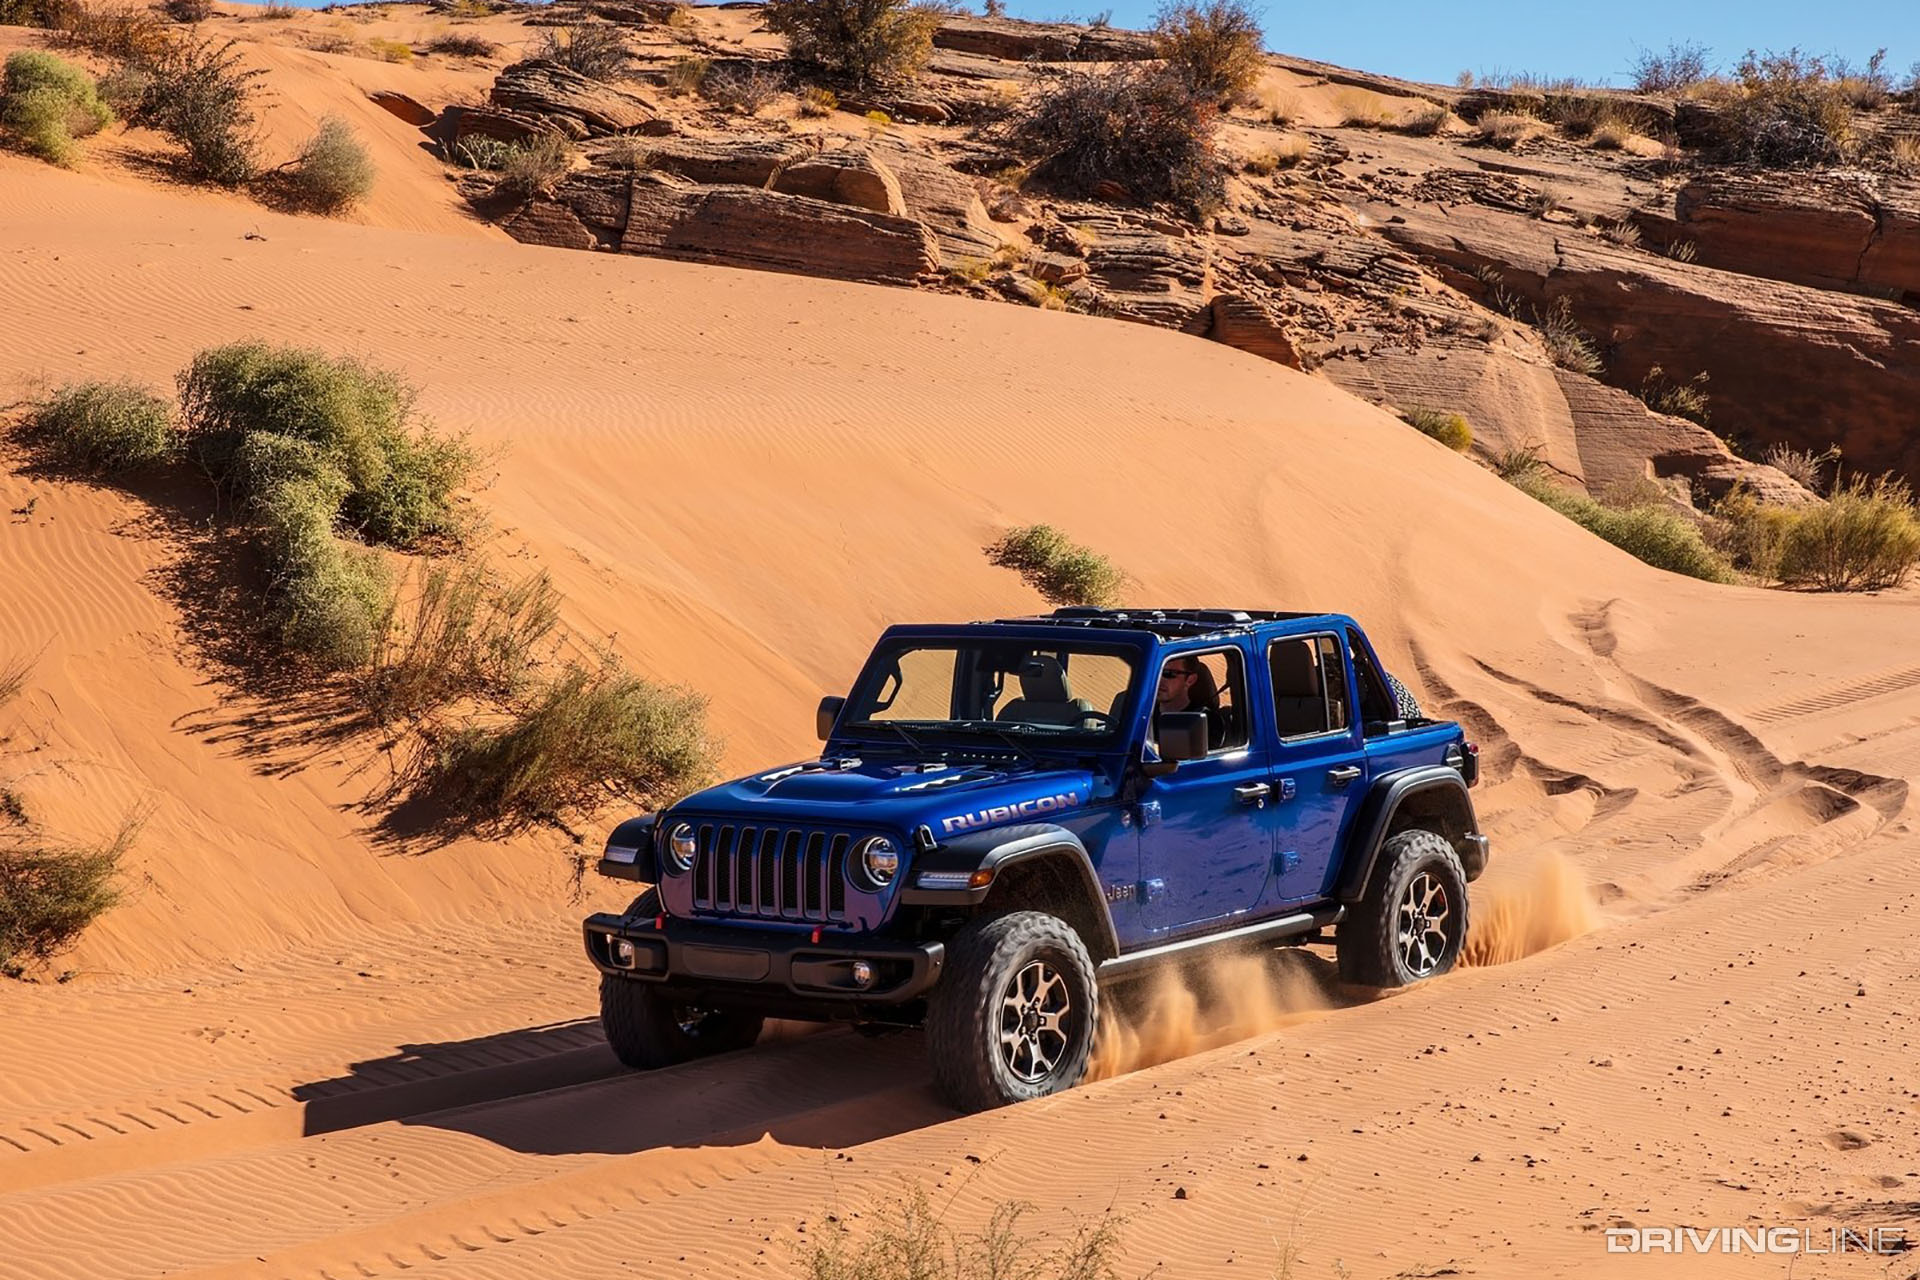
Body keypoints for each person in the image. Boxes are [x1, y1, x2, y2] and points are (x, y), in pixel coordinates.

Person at [1153, 656, 1223, 748]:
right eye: (1155, 672)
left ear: (1190, 680)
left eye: (1169, 674)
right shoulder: (1141, 714)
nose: (1159, 680)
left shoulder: (1206, 722)